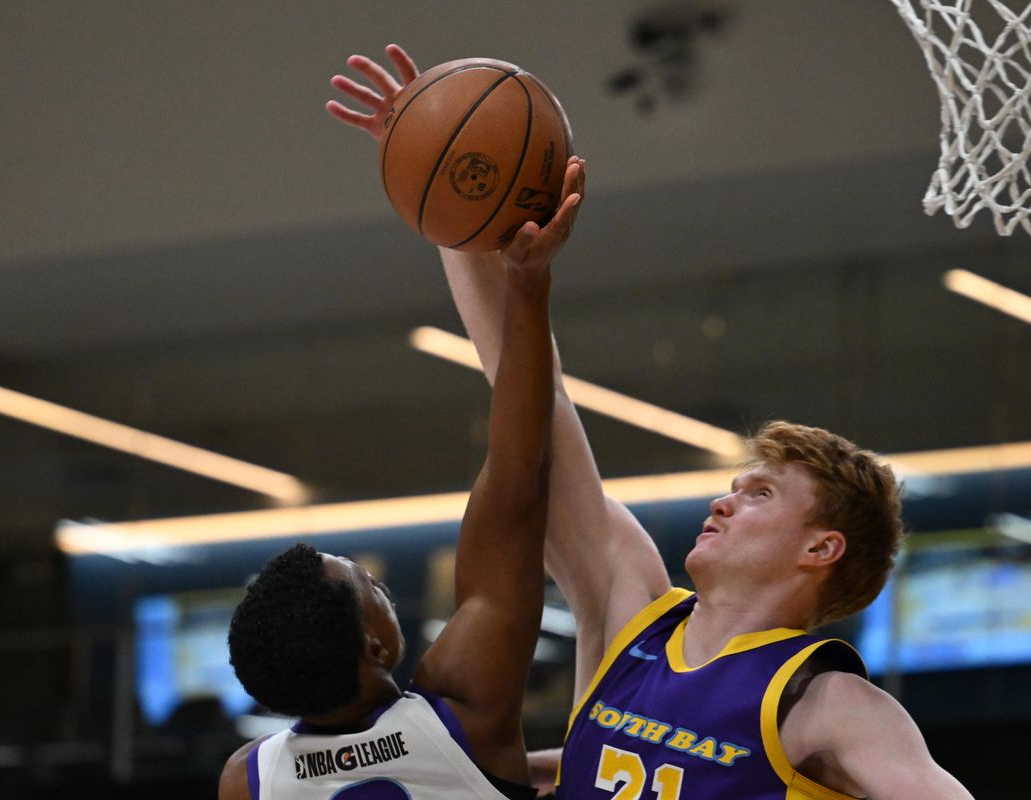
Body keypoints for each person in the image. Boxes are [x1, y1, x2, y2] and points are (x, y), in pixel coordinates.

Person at [328, 44, 974, 800]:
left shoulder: (828, 704)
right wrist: (445, 197)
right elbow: (532, 396)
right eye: (738, 486)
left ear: (821, 547)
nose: (724, 500)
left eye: (762, 494)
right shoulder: (629, 609)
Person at [217, 145, 584, 798]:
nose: (384, 588)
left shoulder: (249, 780)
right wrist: (527, 284)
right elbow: (517, 482)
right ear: (376, 647)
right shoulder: (463, 715)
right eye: (371, 587)